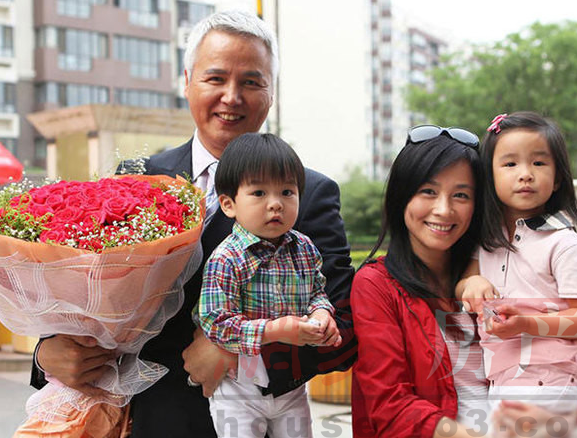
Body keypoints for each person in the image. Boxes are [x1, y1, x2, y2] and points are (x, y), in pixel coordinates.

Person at [31, 10, 356, 437]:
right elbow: (84, 294)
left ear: (272, 93)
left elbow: (343, 326)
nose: (232, 96)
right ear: (187, 82)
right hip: (151, 419)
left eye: (252, 82)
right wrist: (46, 353)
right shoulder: (136, 177)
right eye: (215, 78)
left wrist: (236, 349)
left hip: (261, 417)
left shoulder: (308, 193)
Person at [455, 112, 577, 424]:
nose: (525, 174)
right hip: (500, 381)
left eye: (538, 163)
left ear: (558, 177)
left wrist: (526, 324)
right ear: (489, 176)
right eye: (510, 164)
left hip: (548, 383)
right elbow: (466, 279)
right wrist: (472, 283)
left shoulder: (564, 245)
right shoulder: (487, 241)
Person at [197, 133, 342, 437]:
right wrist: (275, 330)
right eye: (259, 193)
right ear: (228, 204)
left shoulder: (303, 247)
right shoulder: (226, 258)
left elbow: (317, 292)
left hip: (291, 386)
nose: (276, 204)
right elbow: (216, 323)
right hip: (239, 388)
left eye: (287, 192)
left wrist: (322, 316)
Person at [351, 125, 490, 437]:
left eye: (461, 195)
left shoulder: (494, 272)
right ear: (402, 197)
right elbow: (389, 403)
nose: (444, 209)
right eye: (428, 191)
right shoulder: (376, 285)